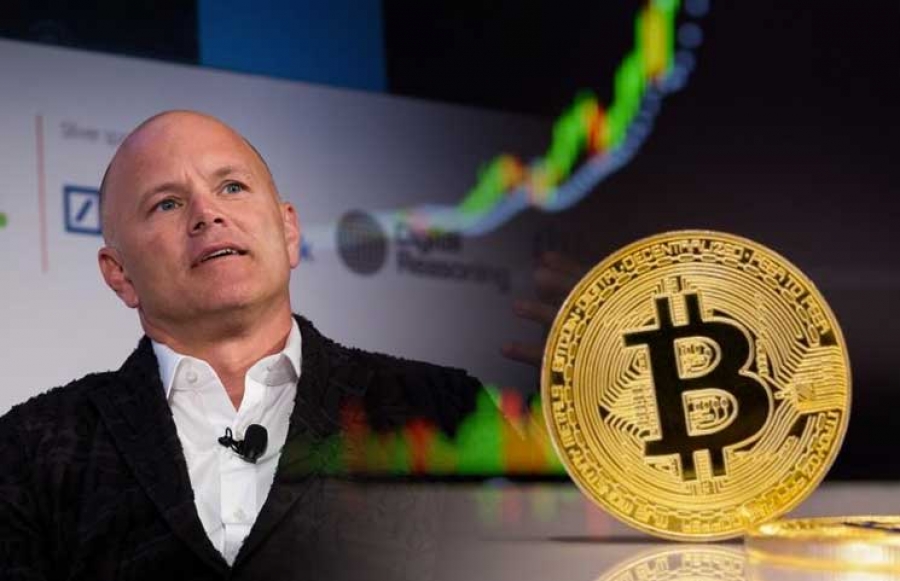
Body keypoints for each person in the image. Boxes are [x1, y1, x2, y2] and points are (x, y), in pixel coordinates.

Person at [0, 111, 481, 580]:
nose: (207, 214)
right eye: (167, 204)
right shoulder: (31, 449)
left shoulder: (446, 409)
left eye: (231, 187)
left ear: (288, 231)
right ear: (119, 273)